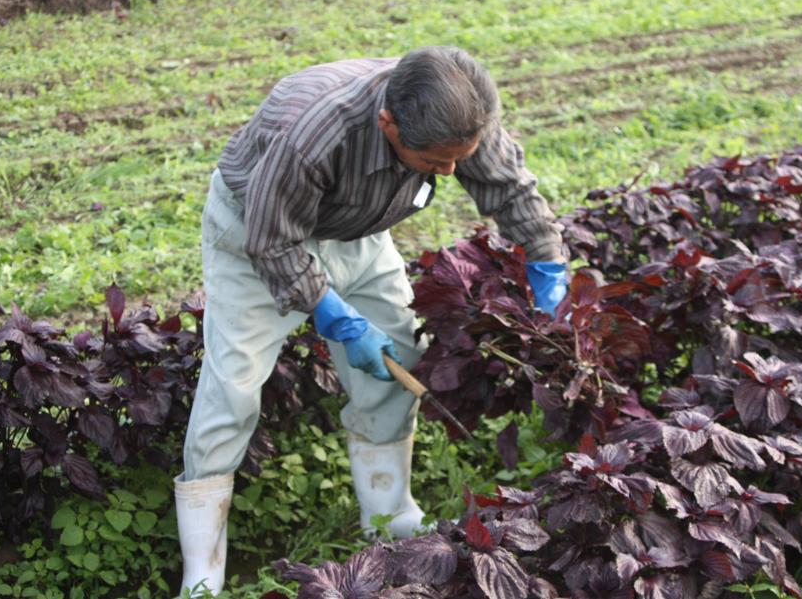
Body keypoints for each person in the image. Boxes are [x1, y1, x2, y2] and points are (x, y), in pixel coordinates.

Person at [173, 46, 568, 596]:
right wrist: (330, 311)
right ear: (388, 123)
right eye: (434, 163)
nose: (452, 172)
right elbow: (273, 239)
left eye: (460, 157)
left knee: (397, 356)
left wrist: (545, 254)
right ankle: (203, 567)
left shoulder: (458, 109)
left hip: (357, 234)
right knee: (234, 386)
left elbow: (505, 184)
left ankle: (388, 515)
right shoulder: (312, 132)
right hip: (256, 232)